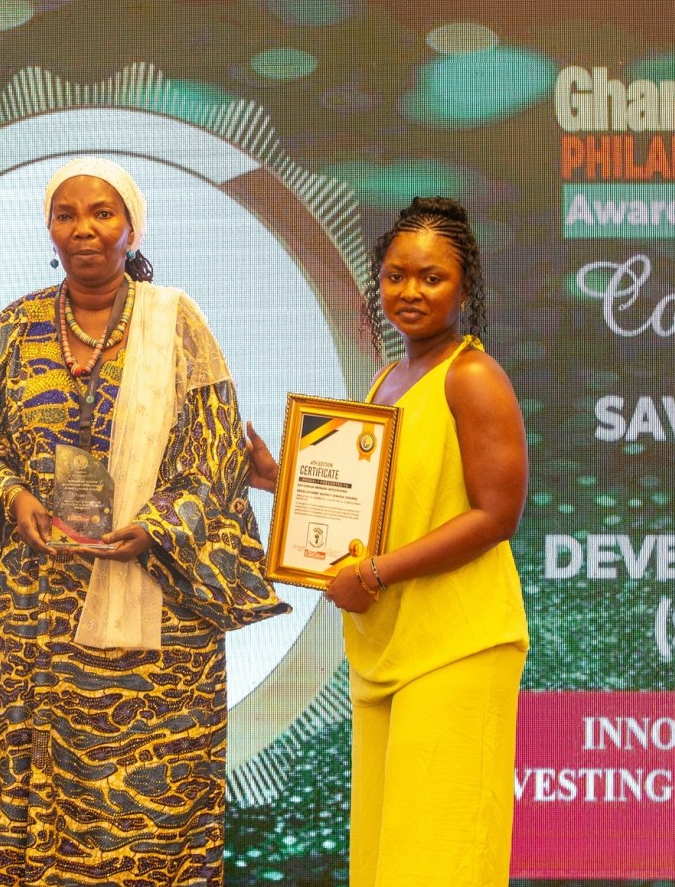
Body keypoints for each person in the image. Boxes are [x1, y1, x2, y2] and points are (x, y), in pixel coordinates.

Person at [0, 157, 286, 886]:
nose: (84, 229)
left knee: (152, 809)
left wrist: (156, 526)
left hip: (155, 610)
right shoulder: (14, 328)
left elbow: (215, 455)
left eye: (102, 213)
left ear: (133, 229)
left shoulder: (176, 323)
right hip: (33, 612)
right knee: (38, 802)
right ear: (49, 230)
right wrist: (13, 497)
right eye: (66, 215)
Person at [250, 195, 530, 887]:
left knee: (438, 865)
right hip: (389, 649)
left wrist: (375, 573)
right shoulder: (388, 379)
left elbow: (497, 514)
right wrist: (282, 481)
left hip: (457, 644)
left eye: (432, 277)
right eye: (396, 275)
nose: (411, 291)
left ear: (465, 286)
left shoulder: (472, 376)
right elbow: (380, 502)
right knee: (385, 865)